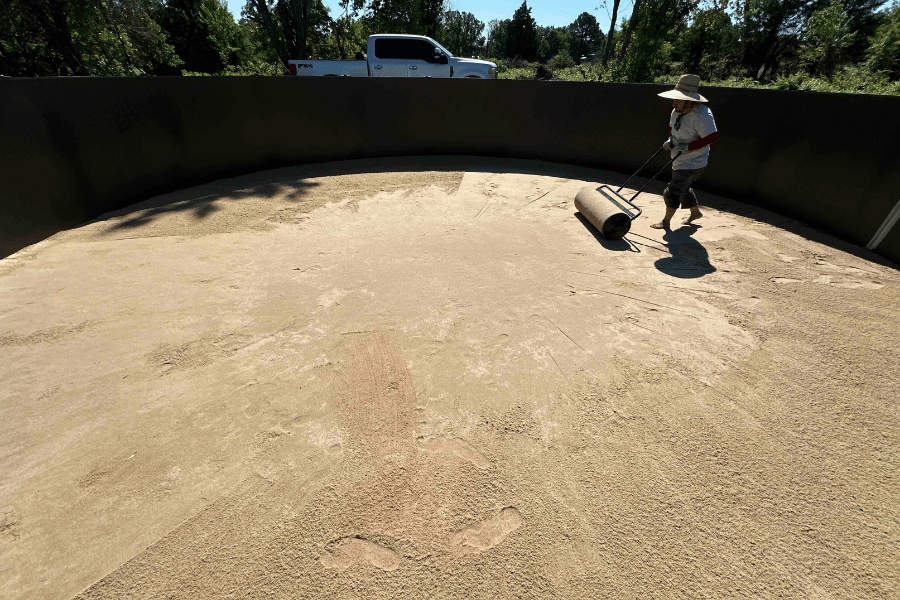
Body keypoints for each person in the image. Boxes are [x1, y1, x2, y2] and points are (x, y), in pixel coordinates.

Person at [650, 74, 719, 230]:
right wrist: (670, 140)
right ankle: (695, 213)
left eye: (677, 99)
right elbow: (673, 128)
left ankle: (666, 222)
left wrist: (688, 147)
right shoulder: (677, 111)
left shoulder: (702, 115)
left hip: (694, 161)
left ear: (689, 101)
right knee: (683, 188)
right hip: (679, 158)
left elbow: (712, 138)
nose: (673, 103)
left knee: (671, 191)